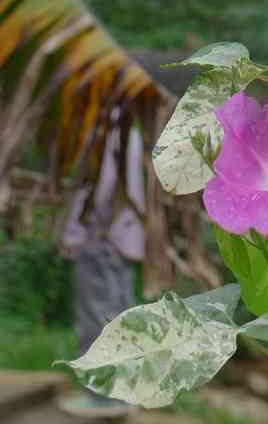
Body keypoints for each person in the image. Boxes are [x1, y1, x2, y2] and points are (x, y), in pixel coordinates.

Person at [58, 116, 145, 420]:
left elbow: (98, 190)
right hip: (124, 239)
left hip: (100, 238)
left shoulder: (104, 132)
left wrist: (75, 234)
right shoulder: (130, 131)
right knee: (120, 318)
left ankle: (101, 398)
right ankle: (122, 394)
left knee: (96, 319)